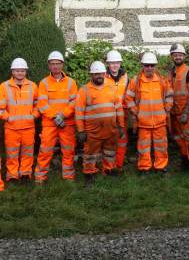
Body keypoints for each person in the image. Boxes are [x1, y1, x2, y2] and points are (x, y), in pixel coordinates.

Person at [75, 61, 124, 188]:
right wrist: (81, 130)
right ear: (91, 74)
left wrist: (121, 125)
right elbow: (79, 112)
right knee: (90, 156)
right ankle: (89, 176)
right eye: (96, 74)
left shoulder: (111, 88)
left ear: (104, 74)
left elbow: (118, 108)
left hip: (111, 131)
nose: (99, 76)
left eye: (101, 74)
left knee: (110, 153)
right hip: (92, 133)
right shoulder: (84, 90)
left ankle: (110, 172)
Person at [125, 53, 173, 178]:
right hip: (143, 123)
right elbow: (128, 98)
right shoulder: (135, 81)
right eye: (147, 65)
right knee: (143, 148)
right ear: (142, 66)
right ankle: (144, 169)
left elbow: (170, 95)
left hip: (160, 122)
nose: (150, 68)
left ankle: (160, 168)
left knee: (161, 146)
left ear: (156, 66)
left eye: (152, 65)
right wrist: (135, 111)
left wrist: (166, 108)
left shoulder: (162, 80)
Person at [34, 51, 78, 184]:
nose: (55, 66)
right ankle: (40, 177)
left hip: (67, 123)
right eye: (52, 64)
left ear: (62, 64)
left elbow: (74, 102)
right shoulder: (44, 83)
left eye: (58, 63)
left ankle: (69, 176)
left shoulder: (71, 82)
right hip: (49, 123)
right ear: (49, 65)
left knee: (68, 150)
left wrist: (63, 116)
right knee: (45, 150)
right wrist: (55, 117)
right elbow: (42, 103)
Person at [0, 58, 39, 186]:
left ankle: (25, 175)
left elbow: (39, 104)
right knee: (12, 154)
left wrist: (34, 115)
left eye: (22, 70)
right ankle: (12, 177)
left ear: (26, 71)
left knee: (28, 153)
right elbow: (0, 108)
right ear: (12, 71)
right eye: (17, 70)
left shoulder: (33, 86)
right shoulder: (4, 86)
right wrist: (7, 117)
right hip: (11, 127)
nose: (20, 73)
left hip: (28, 126)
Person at [166, 44, 189, 180]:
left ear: (184, 56)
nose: (178, 57)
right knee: (177, 139)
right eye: (175, 55)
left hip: (187, 112)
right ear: (172, 57)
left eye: (180, 55)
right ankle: (185, 163)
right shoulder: (169, 73)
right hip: (173, 112)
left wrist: (186, 111)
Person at [105, 50, 129, 171]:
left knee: (122, 142)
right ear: (108, 63)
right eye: (112, 63)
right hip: (107, 115)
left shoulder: (125, 77)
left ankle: (118, 166)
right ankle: (108, 167)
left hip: (122, 116)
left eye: (117, 63)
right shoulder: (102, 76)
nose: (115, 65)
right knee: (108, 142)